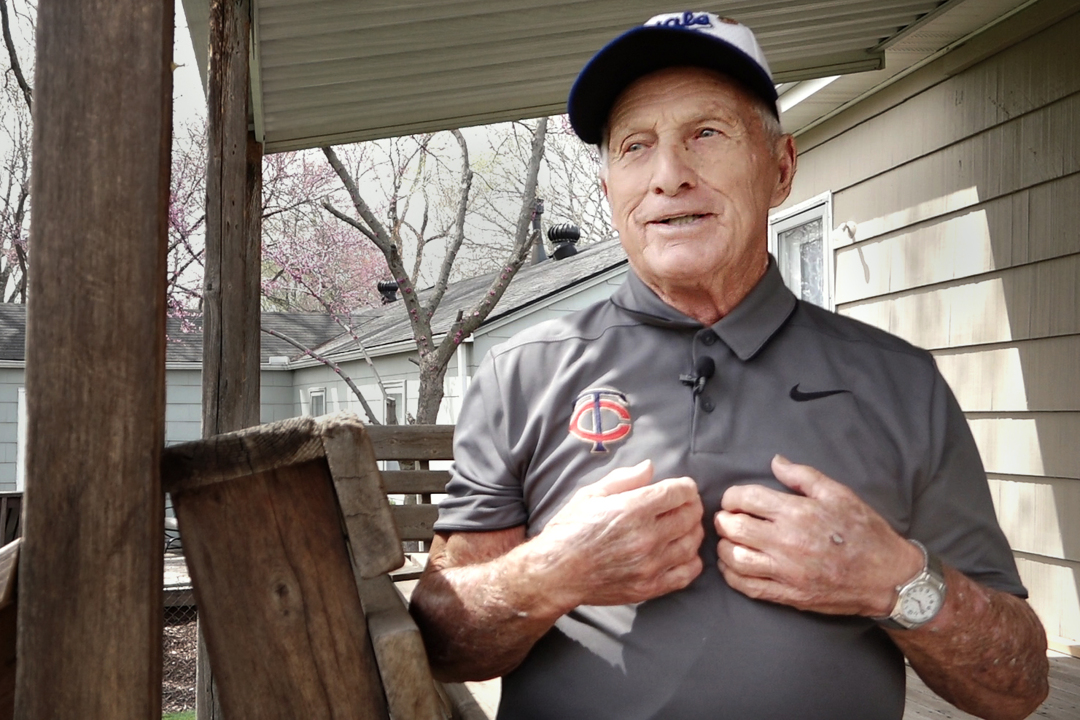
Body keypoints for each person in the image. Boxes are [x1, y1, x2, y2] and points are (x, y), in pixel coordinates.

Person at [410, 11, 1049, 720]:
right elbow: (444, 643)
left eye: (706, 135)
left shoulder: (901, 384)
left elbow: (1018, 686)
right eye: (635, 147)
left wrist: (894, 580)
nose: (668, 177)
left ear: (779, 169)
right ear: (610, 194)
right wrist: (552, 571)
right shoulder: (522, 374)